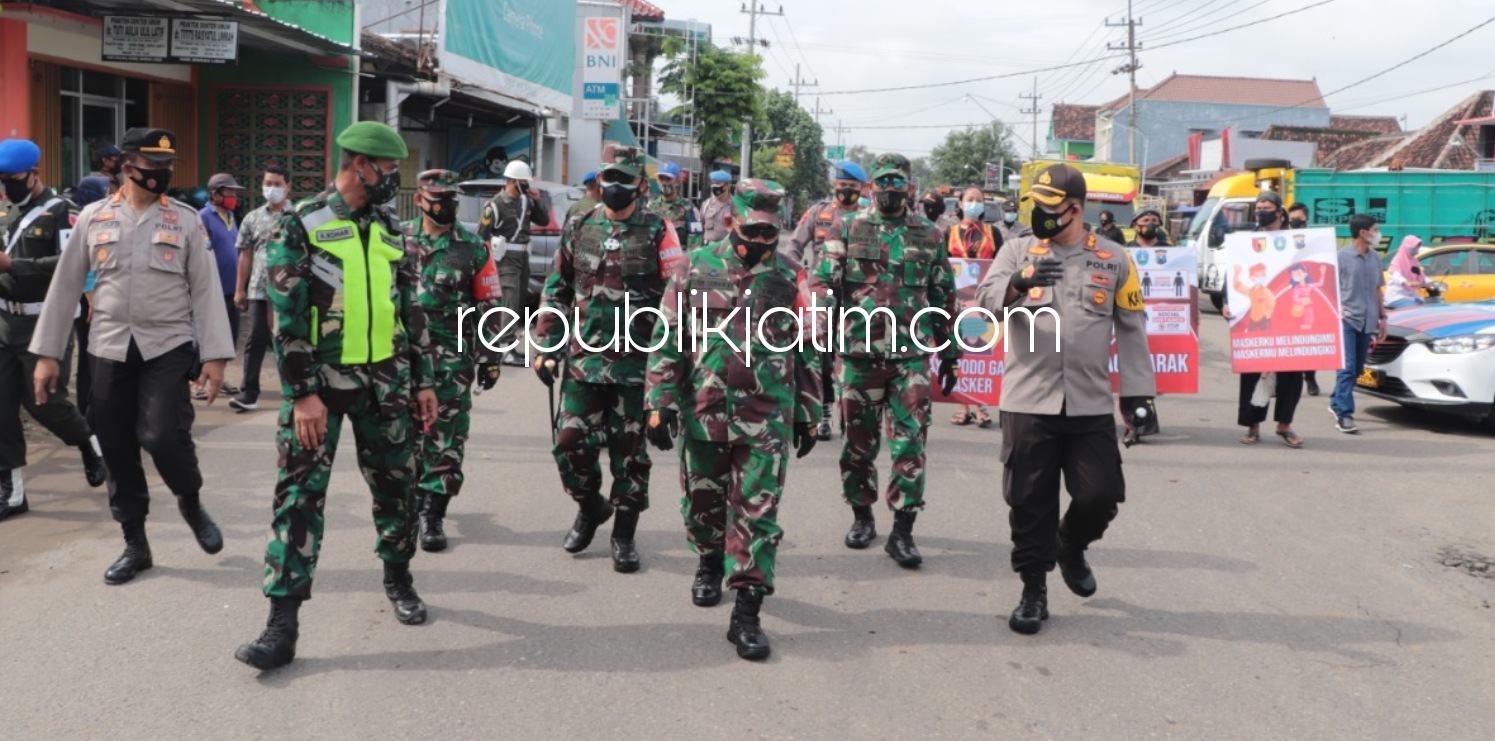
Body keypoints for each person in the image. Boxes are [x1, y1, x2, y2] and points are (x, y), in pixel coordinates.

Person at [234, 121, 438, 671]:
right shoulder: (303, 223)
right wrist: (302, 394)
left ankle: (399, 577)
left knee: (399, 489)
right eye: (388, 170)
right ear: (357, 165)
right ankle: (282, 625)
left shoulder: (392, 227)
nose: (393, 179)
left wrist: (422, 379)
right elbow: (287, 315)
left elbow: (408, 308)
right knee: (298, 499)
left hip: (387, 382)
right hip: (320, 385)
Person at [30, 127, 233, 582]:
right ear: (127, 169)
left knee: (162, 436)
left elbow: (204, 291)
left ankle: (190, 499)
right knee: (118, 447)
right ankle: (135, 545)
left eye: (166, 167)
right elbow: (64, 288)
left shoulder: (183, 220)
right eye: (151, 167)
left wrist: (217, 356)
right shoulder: (93, 218)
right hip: (108, 345)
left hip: (167, 345)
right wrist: (48, 355)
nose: (160, 175)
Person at [973, 163, 1155, 635]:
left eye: (1050, 208)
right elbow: (983, 302)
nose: (1040, 214)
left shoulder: (1114, 258)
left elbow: (1132, 329)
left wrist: (1139, 396)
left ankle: (1071, 545)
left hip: (1090, 401)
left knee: (1101, 494)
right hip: (1028, 399)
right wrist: (1019, 281)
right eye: (1036, 204)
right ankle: (1034, 589)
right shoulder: (1017, 249)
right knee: (1029, 501)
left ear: (1076, 209)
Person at [644, 178, 820, 661]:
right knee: (703, 506)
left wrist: (809, 410)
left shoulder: (789, 276)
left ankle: (746, 612)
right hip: (704, 412)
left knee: (757, 516)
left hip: (765, 417)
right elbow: (668, 337)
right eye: (754, 230)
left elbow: (806, 346)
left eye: (771, 232)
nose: (763, 241)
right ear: (731, 220)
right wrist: (658, 402)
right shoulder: (692, 268)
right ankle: (707, 560)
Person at [811, 152, 960, 567]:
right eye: (884, 182)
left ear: (909, 186)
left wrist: (950, 353)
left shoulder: (929, 233)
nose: (891, 190)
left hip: (909, 358)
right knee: (858, 446)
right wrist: (822, 331)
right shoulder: (848, 226)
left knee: (910, 441)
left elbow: (941, 294)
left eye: (899, 183)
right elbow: (824, 281)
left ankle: (903, 531)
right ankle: (862, 516)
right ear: (871, 186)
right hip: (858, 356)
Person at [532, 148, 675, 574]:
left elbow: (677, 300)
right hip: (584, 362)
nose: (615, 186)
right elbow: (557, 287)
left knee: (629, 455)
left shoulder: (658, 229)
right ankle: (590, 505)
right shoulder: (580, 224)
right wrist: (546, 345)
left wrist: (671, 374)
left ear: (640, 185)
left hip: (636, 367)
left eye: (624, 179)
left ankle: (624, 535)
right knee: (569, 444)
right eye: (609, 176)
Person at [0, 139, 107, 522]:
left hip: (46, 320)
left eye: (12, 179)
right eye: (1, 179)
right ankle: (12, 491)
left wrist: (14, 266)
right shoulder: (3, 210)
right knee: (1, 407)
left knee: (45, 403)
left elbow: (73, 262)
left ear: (35, 174)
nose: (6, 186)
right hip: (4, 321)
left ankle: (88, 444)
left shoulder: (64, 212)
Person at [405, 169, 502, 552]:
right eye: (438, 197)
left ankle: (433, 513)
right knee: (402, 437)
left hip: (450, 361)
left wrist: (490, 355)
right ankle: (408, 503)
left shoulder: (473, 247)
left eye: (451, 198)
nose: (445, 204)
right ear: (419, 199)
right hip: (400, 360)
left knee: (446, 438)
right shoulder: (394, 240)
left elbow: (489, 306)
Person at [786, 159, 867, 441]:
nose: (847, 191)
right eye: (843, 185)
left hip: (857, 298)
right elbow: (794, 247)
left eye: (853, 187)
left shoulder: (869, 217)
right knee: (819, 355)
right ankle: (823, 411)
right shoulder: (818, 212)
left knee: (852, 354)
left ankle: (853, 412)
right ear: (835, 185)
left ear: (862, 188)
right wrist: (796, 282)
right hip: (820, 295)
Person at [1225, 191, 1306, 448]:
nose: (1261, 211)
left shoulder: (1295, 240)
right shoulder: (1248, 241)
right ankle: (1252, 426)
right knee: (1252, 371)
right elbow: (1234, 276)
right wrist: (1228, 302)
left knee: (1291, 373)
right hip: (1256, 317)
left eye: (1266, 206)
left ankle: (1285, 425)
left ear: (1280, 211)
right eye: (1258, 207)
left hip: (1287, 316)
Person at [229, 166, 291, 412]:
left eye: (277, 183)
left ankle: (294, 391)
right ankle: (248, 393)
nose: (271, 188)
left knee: (287, 340)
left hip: (288, 293)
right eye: (268, 183)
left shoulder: (298, 216)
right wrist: (239, 289)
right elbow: (245, 255)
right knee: (255, 340)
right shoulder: (252, 218)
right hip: (258, 291)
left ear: (288, 187)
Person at [478, 159, 549, 365]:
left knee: (518, 303)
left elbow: (543, 221)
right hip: (505, 259)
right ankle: (505, 349)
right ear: (511, 181)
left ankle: (505, 345)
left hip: (523, 258)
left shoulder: (525, 201)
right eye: (522, 182)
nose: (526, 186)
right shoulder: (495, 205)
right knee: (509, 302)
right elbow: (482, 236)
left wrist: (537, 200)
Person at [945, 185, 1000, 429]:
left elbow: (1001, 264)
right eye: (970, 199)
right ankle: (964, 406)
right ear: (959, 204)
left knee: (982, 350)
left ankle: (980, 405)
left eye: (979, 200)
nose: (975, 203)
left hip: (985, 300)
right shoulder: (949, 232)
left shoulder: (993, 232)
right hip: (959, 300)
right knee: (961, 352)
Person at [1330, 214, 1387, 435]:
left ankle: (1336, 399)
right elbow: (1330, 288)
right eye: (1375, 229)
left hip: (1368, 320)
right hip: (1346, 320)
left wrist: (1383, 318)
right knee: (1346, 368)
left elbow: (1377, 290)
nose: (1377, 233)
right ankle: (1345, 414)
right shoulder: (1341, 257)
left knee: (1357, 369)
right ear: (1363, 233)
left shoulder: (1374, 258)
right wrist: (1336, 309)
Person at [195, 173, 246, 400]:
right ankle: (196, 381)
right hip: (211, 290)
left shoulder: (232, 217)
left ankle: (219, 376)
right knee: (205, 337)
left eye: (235, 192)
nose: (233, 196)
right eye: (229, 192)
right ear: (215, 194)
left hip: (231, 289)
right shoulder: (203, 216)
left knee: (227, 339)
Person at [1287, 202, 1320, 395]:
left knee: (1309, 340)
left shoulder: (1316, 239)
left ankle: (1310, 378)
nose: (1295, 222)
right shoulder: (1282, 239)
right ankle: (1284, 380)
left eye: (1298, 218)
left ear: (1306, 218)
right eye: (1291, 220)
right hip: (1290, 293)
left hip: (1309, 294)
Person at [647, 161, 704, 252]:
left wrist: (687, 262)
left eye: (668, 179)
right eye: (661, 178)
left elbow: (695, 242)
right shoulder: (650, 206)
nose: (664, 183)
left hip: (677, 258)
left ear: (677, 181)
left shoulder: (688, 208)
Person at [1384, 235, 1427, 310]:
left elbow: (1421, 275)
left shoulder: (1414, 261)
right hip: (1397, 296)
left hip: (1411, 295)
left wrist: (1431, 283)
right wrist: (1407, 283)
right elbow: (1395, 275)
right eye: (1414, 246)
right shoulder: (1398, 260)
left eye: (1417, 247)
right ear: (1407, 246)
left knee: (1426, 307)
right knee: (1413, 310)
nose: (1416, 249)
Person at [700, 170, 735, 245]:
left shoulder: (735, 204)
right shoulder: (706, 204)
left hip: (727, 247)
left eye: (718, 183)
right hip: (707, 248)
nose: (714, 186)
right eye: (712, 183)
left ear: (727, 185)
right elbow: (700, 226)